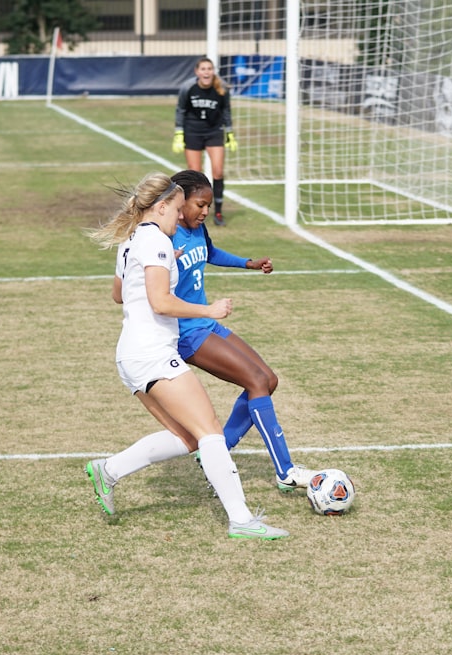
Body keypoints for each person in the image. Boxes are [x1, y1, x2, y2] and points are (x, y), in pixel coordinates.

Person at [84, 172, 288, 540]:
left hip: (131, 356)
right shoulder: (157, 242)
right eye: (177, 209)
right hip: (152, 354)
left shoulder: (131, 241)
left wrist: (163, 266)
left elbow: (119, 295)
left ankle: (108, 470)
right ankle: (241, 520)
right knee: (210, 431)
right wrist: (210, 310)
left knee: (189, 437)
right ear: (161, 207)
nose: (179, 218)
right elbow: (161, 302)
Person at [169, 169, 316, 492]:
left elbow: (210, 253)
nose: (206, 211)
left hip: (207, 324)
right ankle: (285, 470)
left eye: (208, 205)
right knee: (254, 381)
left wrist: (247, 263)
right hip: (187, 333)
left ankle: (214, 454)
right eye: (200, 205)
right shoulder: (165, 239)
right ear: (179, 202)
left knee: (268, 379)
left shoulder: (197, 230)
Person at [173, 57, 237, 227]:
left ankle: (218, 212)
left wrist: (229, 132)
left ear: (213, 71)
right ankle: (189, 212)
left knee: (218, 172)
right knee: (195, 176)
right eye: (203, 69)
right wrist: (179, 133)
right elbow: (181, 110)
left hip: (214, 132)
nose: (206, 72)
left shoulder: (221, 88)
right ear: (197, 72)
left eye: (209, 68)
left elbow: (226, 111)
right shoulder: (188, 87)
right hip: (193, 132)